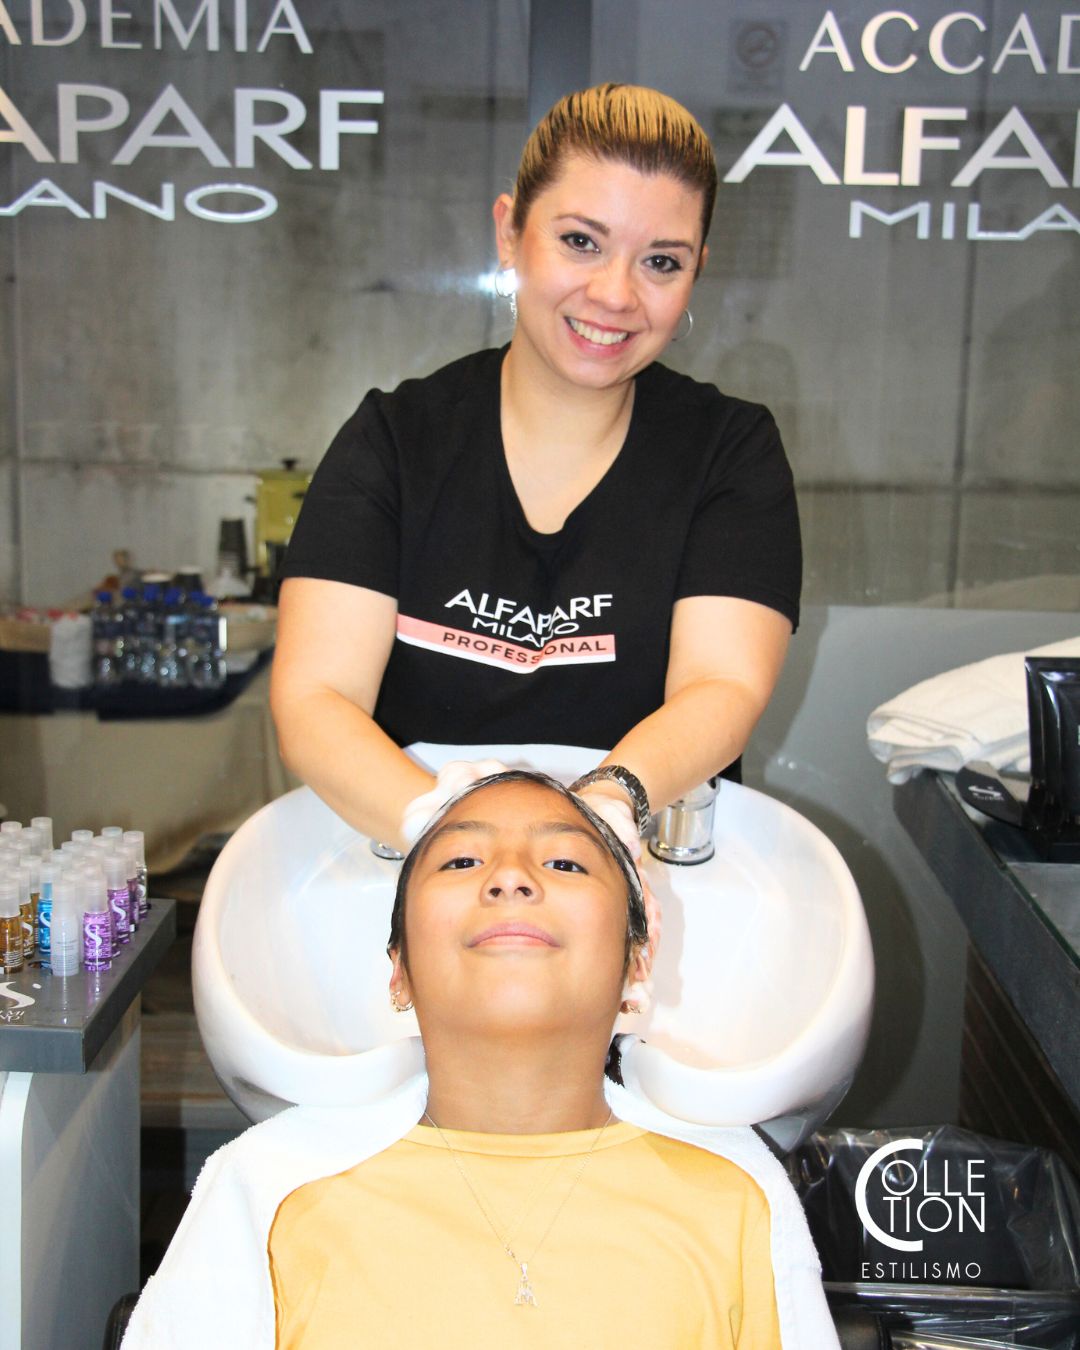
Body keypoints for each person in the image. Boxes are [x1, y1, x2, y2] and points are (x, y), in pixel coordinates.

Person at [121, 772, 838, 1348]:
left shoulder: (736, 1195)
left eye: (565, 862)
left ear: (636, 965)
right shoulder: (266, 1190)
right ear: (398, 970)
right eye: (462, 861)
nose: (511, 878)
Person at [270, 83, 801, 857]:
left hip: (642, 868)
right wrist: (449, 837)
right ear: (509, 232)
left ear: (696, 273)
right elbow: (315, 698)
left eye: (661, 261)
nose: (614, 294)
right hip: (410, 868)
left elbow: (722, 687)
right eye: (581, 241)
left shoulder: (730, 451)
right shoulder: (394, 441)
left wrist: (606, 811)